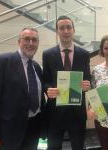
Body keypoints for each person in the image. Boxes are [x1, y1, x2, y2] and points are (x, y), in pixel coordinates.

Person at [42, 15, 91, 150]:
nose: (66, 31)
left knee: (78, 146)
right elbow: (45, 80)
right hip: (55, 111)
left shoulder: (84, 54)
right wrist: (48, 89)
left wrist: (87, 84)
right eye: (62, 28)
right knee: (53, 146)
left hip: (77, 111)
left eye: (69, 27)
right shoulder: (47, 54)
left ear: (73, 30)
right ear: (57, 31)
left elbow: (87, 78)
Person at [0, 27, 46, 150]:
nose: (30, 43)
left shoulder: (36, 67)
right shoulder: (3, 61)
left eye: (34, 40)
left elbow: (40, 99)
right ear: (19, 42)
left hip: (34, 127)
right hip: (10, 131)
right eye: (26, 39)